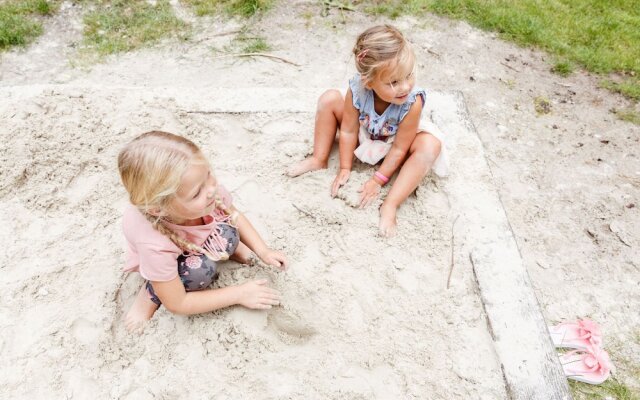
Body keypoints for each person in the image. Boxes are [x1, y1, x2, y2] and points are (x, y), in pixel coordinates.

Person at [287, 25, 449, 237]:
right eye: (393, 82)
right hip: (367, 131)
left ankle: (391, 204)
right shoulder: (357, 89)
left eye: (408, 75)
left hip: (396, 140)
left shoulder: (412, 101)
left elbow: (400, 147)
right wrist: (345, 167)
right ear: (369, 82)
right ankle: (319, 158)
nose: (405, 87)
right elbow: (347, 130)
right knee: (329, 99)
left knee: (430, 146)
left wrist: (377, 180)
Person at [118, 131, 287, 332]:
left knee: (230, 232)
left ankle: (229, 249)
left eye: (208, 174)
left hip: (195, 237)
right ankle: (152, 292)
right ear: (159, 208)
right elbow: (178, 303)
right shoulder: (154, 244)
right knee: (199, 273)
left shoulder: (206, 192)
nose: (211, 190)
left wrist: (263, 250)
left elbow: (235, 216)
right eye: (196, 192)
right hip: (171, 256)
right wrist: (239, 294)